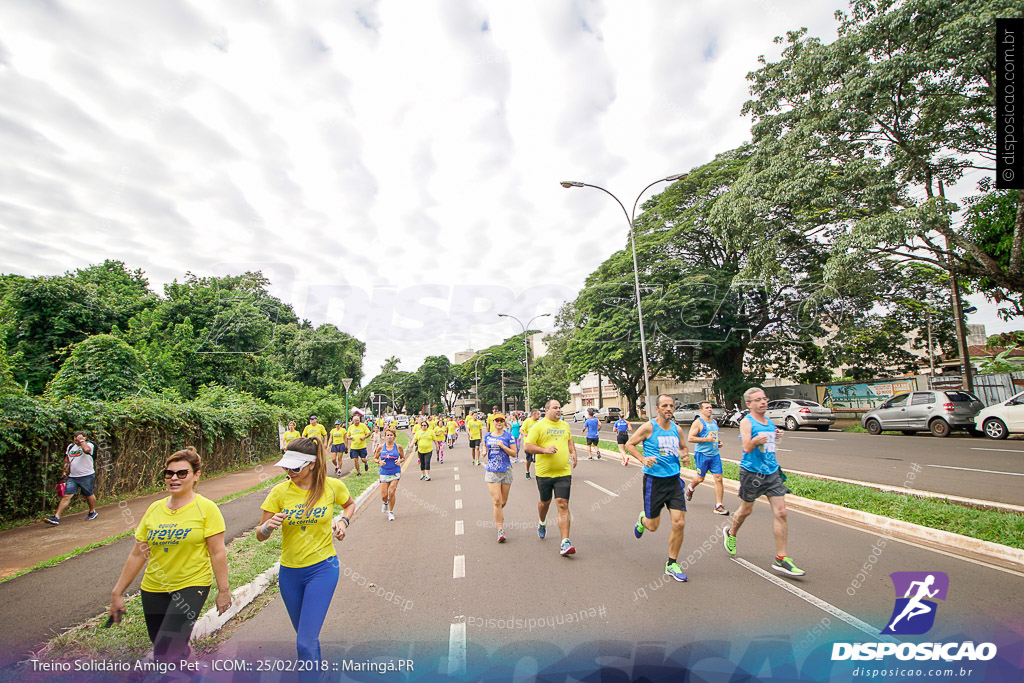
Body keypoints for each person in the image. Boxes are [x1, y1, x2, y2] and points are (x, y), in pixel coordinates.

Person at [109, 447, 231, 662]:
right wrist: (117, 592)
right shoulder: (154, 509)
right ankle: (193, 674)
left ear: (196, 476)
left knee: (165, 652)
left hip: (191, 585)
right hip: (153, 588)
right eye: (169, 473)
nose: (174, 478)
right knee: (165, 646)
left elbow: (217, 552)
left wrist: (224, 591)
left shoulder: (207, 509)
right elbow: (138, 554)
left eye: (182, 473)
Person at [257, 437, 355, 674]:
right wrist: (268, 526)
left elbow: (349, 504)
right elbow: (259, 535)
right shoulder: (279, 493)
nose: (289, 472)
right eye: (286, 467)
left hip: (322, 569)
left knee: (304, 643)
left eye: (295, 467)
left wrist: (343, 521)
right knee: (306, 637)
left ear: (311, 464)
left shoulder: (332, 487)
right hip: (290, 573)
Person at [723, 387, 805, 577]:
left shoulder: (768, 421)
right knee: (746, 510)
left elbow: (768, 445)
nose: (763, 402)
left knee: (781, 512)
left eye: (764, 398)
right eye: (758, 400)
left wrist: (774, 436)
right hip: (752, 473)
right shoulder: (746, 422)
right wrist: (756, 441)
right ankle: (731, 533)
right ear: (749, 404)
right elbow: (746, 447)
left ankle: (781, 558)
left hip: (772, 472)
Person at [627, 395, 692, 582]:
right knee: (653, 526)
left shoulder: (677, 429)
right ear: (657, 409)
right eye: (665, 406)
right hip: (654, 482)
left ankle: (672, 563)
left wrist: (685, 456)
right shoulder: (649, 427)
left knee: (679, 522)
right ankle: (643, 519)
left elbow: (683, 447)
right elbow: (630, 444)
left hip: (673, 481)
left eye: (671, 406)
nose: (669, 408)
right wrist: (643, 459)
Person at [524, 399, 578, 556]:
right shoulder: (538, 427)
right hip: (544, 473)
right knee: (544, 503)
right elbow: (528, 446)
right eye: (555, 407)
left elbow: (569, 439)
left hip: (563, 472)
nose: (558, 410)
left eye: (560, 407)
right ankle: (542, 522)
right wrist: (544, 450)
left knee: (562, 504)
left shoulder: (564, 425)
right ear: (546, 410)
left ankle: (565, 542)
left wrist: (573, 451)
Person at [45, 431, 98, 525]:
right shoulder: (71, 446)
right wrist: (64, 471)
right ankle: (56, 517)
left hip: (86, 475)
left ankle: (92, 511)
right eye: (75, 438)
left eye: (78, 438)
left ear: (85, 438)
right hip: (72, 476)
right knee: (67, 496)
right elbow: (67, 459)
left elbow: (86, 450)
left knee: (88, 494)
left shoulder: (90, 445)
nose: (76, 440)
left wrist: (82, 441)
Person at [686, 402, 729, 515]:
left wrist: (718, 443)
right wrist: (706, 440)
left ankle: (719, 505)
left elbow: (713, 438)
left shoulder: (714, 422)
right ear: (701, 410)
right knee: (700, 478)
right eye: (707, 408)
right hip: (702, 455)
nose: (710, 409)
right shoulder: (698, 423)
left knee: (718, 478)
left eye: (710, 407)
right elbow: (690, 438)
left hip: (715, 455)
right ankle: (691, 487)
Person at [483, 414, 517, 543]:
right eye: (496, 420)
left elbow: (514, 453)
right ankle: (500, 530)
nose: (499, 422)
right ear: (493, 422)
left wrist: (503, 446)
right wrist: (484, 451)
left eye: (501, 420)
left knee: (503, 502)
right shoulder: (488, 435)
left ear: (504, 422)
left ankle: (498, 514)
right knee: (497, 500)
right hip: (492, 471)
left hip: (506, 470)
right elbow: (485, 445)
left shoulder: (509, 436)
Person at [374, 428, 405, 521]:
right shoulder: (380, 447)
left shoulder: (398, 447)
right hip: (384, 472)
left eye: (391, 435)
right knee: (384, 495)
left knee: (391, 492)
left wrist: (399, 461)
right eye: (388, 435)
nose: (389, 437)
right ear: (385, 437)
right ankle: (385, 503)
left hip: (395, 472)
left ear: (394, 437)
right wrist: (379, 461)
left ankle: (390, 512)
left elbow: (403, 457)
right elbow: (375, 458)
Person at [521, 408, 541, 479]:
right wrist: (524, 434)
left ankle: (538, 473)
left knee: (537, 459)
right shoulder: (527, 421)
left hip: (536, 444)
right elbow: (521, 430)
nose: (539, 415)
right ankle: (527, 472)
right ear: (533, 414)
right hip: (528, 444)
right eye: (538, 414)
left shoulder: (538, 423)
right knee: (528, 459)